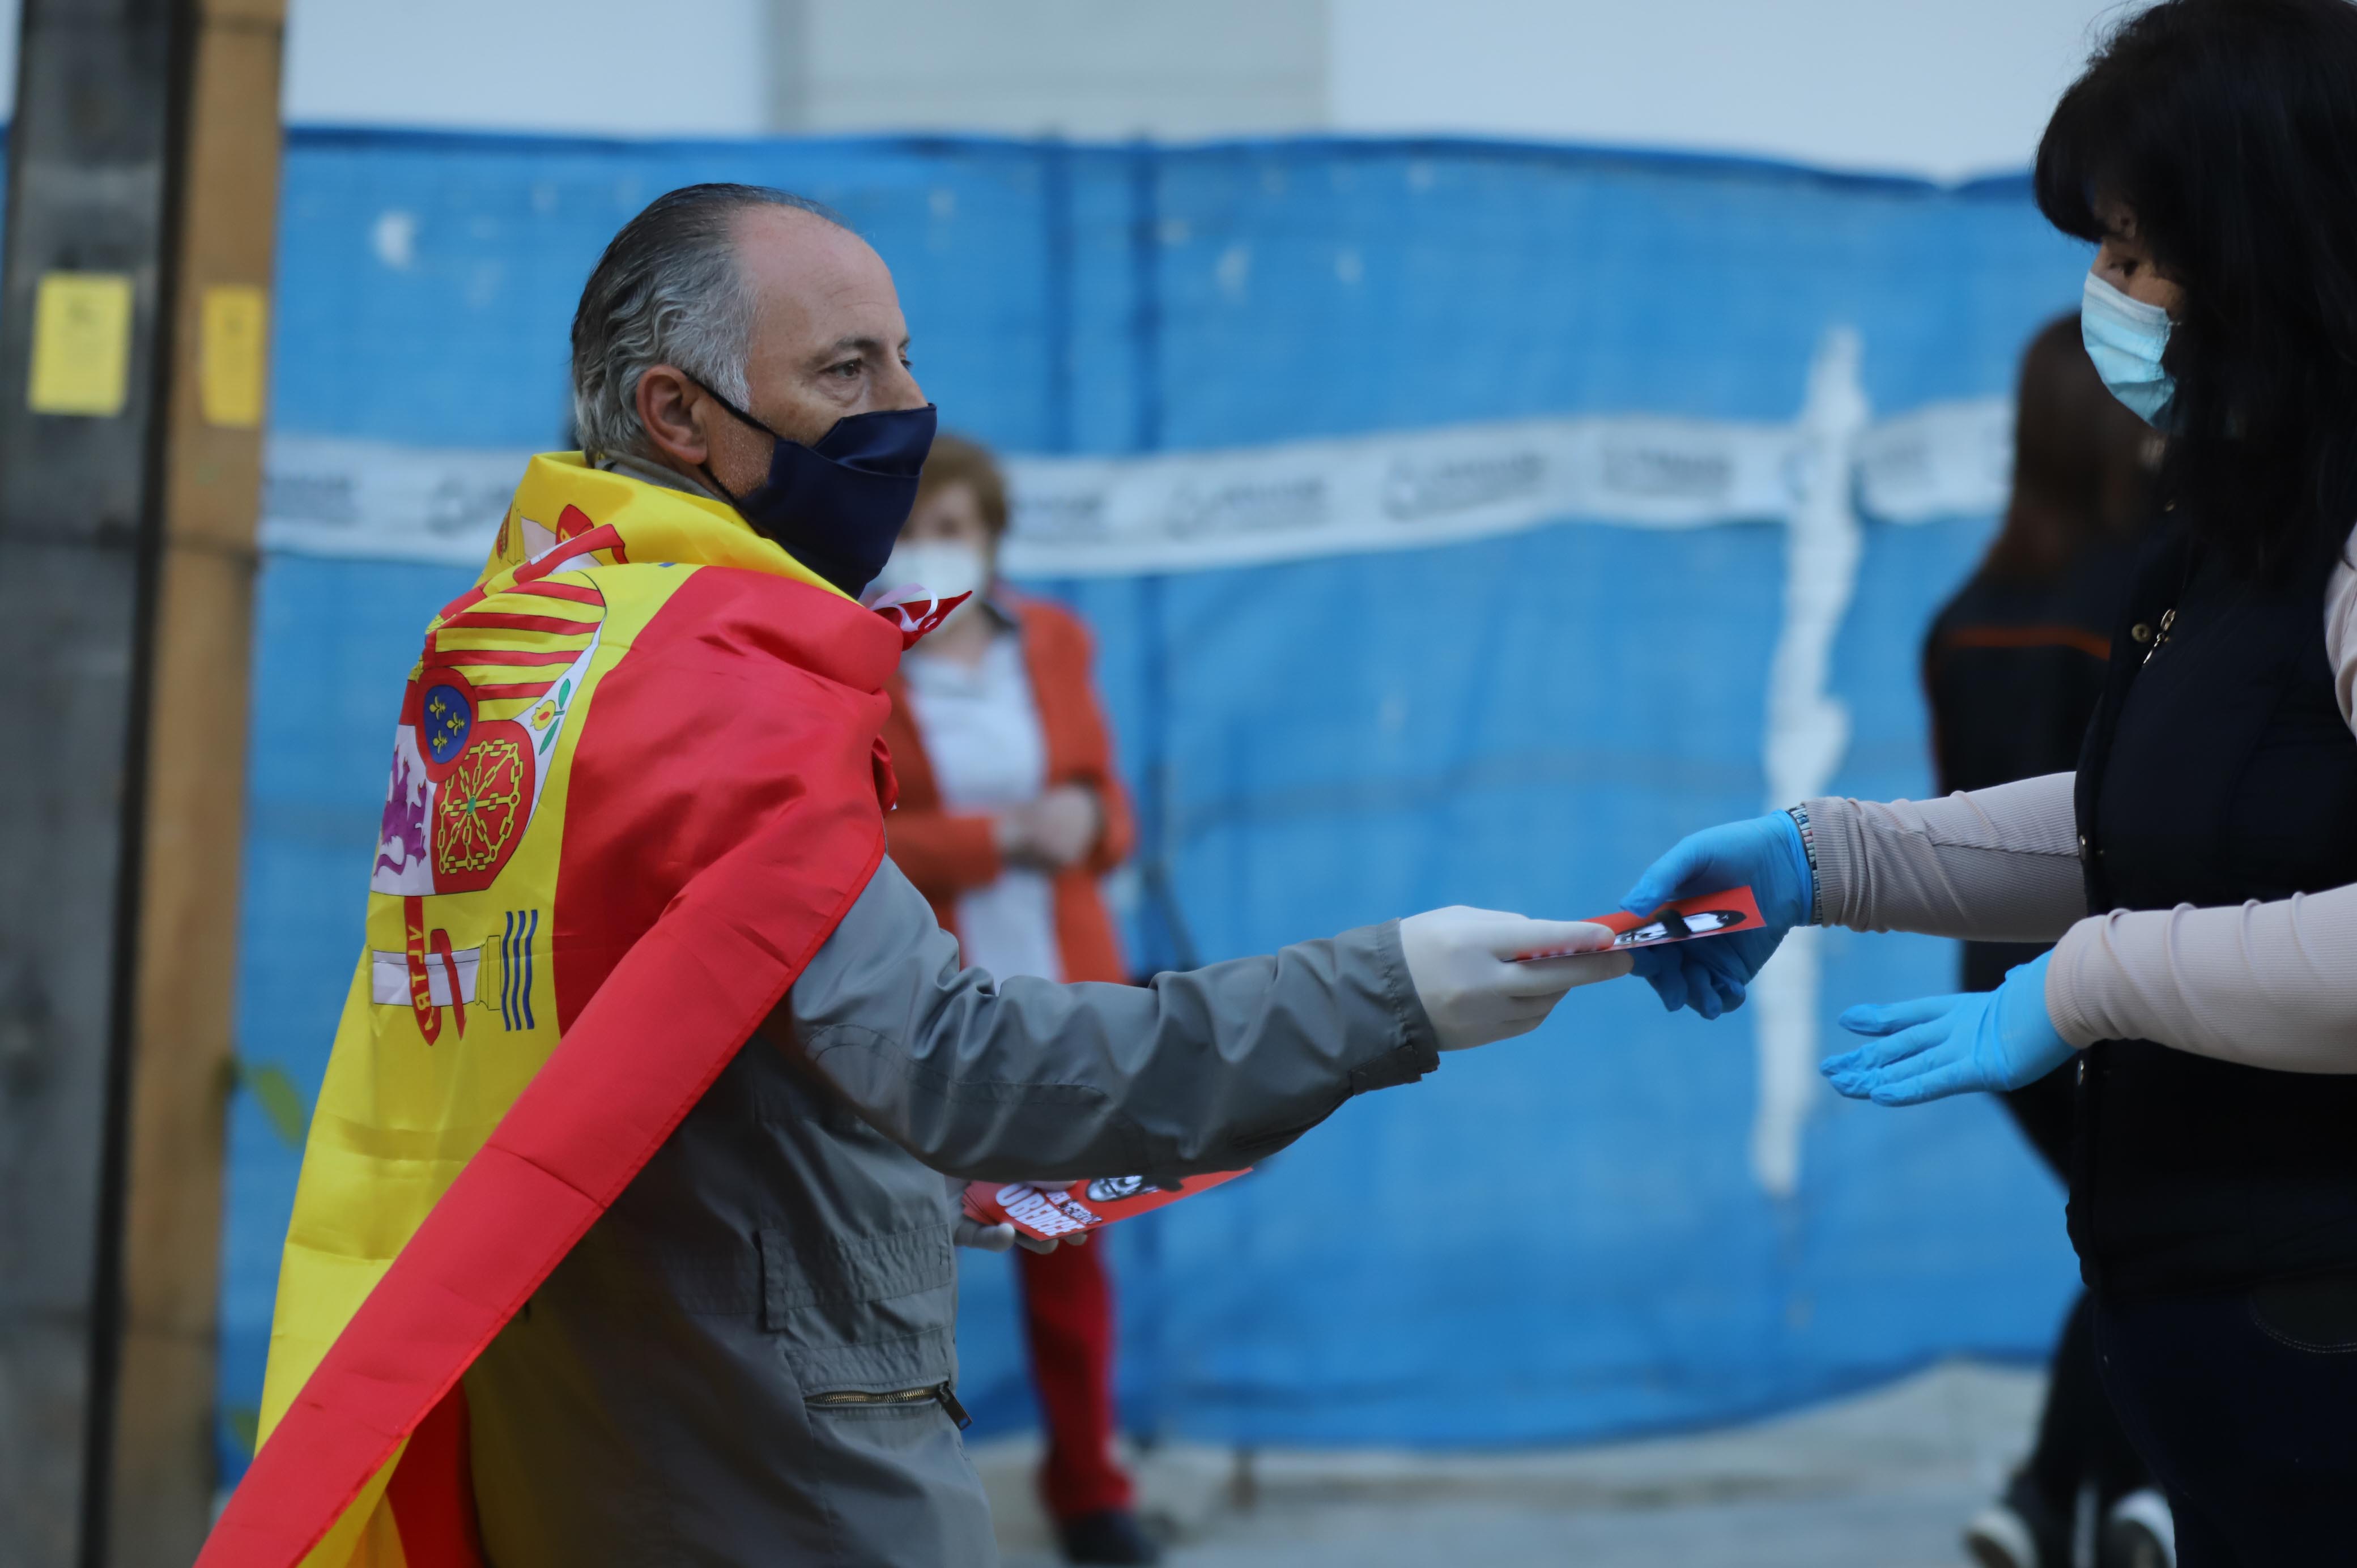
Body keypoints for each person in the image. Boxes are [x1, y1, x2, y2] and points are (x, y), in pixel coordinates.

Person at [198, 184, 1631, 1568]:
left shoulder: (517, 650)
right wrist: (1393, 989)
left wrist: (876, 1174)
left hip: (565, 1401)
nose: (903, 406)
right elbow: (957, 1064)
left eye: (903, 354)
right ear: (675, 413)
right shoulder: (712, 678)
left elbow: (662, 1054)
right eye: (845, 366)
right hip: (770, 1456)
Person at [1622, 3, 2357, 1560]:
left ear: (2279, 246)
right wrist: (1831, 861)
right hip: (2228, 1348)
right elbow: (2141, 832)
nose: (2111, 298)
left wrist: (2082, 988)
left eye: (2147, 257)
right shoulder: (2237, 529)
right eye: (2107, 249)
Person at [874, 434, 1160, 1564]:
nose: (931, 554)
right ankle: (894, 1504)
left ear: (991, 538)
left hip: (1067, 996)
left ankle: (1092, 1489)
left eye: (952, 530)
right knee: (899, 1260)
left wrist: (1090, 822)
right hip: (929, 1009)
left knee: (1072, 1254)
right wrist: (996, 840)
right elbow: (859, 842)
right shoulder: (856, 663)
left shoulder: (1055, 641)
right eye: (908, 531)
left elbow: (1106, 802)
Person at [1921, 316, 2164, 1568]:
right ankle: (2104, 1491)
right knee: (2154, 1235)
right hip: (2117, 987)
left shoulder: (1963, 614)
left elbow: (1960, 823)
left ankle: (2066, 1497)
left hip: (1990, 996)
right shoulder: (2148, 603)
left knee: (2133, 1232)